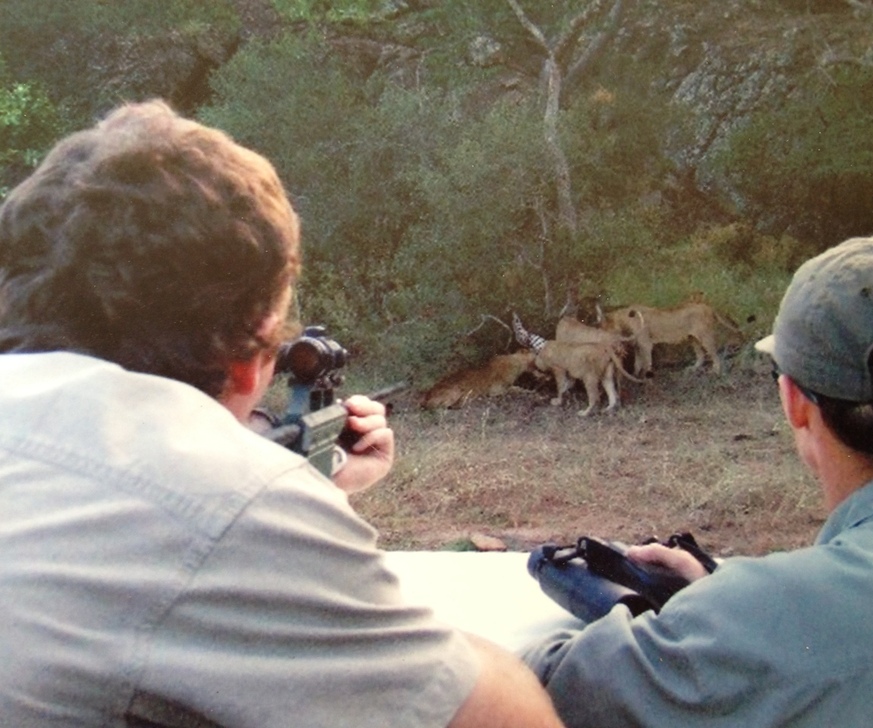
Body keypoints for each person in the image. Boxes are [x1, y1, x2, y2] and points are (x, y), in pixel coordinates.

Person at [0, 99, 563, 728]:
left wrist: (311, 487)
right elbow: (507, 719)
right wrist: (287, 502)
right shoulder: (231, 504)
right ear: (257, 345)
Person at [520, 235, 873, 727]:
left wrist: (719, 610)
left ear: (793, 402)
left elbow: (527, 693)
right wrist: (718, 593)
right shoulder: (767, 611)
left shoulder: (761, 618)